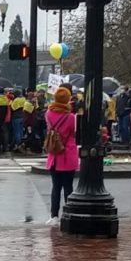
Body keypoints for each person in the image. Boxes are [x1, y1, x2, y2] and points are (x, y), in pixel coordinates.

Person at [45, 86, 79, 225]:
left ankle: (54, 216)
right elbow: (74, 133)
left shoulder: (48, 113)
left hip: (54, 153)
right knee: (68, 187)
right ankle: (68, 213)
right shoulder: (71, 117)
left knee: (55, 186)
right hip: (68, 152)